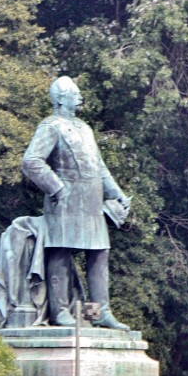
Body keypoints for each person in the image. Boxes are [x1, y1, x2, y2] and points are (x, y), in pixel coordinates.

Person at [21, 76, 131, 330]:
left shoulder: (85, 128)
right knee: (61, 253)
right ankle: (60, 312)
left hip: (92, 202)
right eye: (75, 93)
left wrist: (117, 194)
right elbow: (31, 161)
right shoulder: (51, 126)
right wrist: (56, 187)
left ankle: (100, 312)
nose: (80, 96)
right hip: (65, 201)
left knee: (99, 254)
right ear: (61, 99)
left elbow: (99, 167)